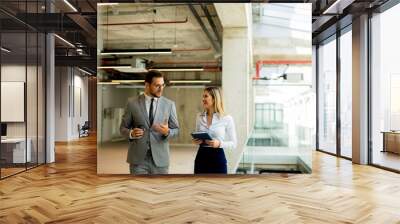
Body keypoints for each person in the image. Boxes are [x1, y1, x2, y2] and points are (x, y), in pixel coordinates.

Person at [120, 70, 179, 174]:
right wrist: (131, 133)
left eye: (162, 85)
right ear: (147, 85)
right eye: (157, 85)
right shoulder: (132, 103)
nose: (161, 89)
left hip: (160, 160)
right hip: (138, 160)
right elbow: (123, 128)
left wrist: (167, 132)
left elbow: (176, 130)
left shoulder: (169, 104)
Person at [192, 87, 237, 174]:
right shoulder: (199, 117)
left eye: (205, 96)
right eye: (203, 96)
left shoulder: (227, 118)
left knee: (218, 186)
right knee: (199, 186)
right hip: (201, 157)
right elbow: (197, 134)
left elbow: (234, 143)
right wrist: (196, 141)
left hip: (218, 158)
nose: (203, 99)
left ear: (214, 98)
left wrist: (219, 144)